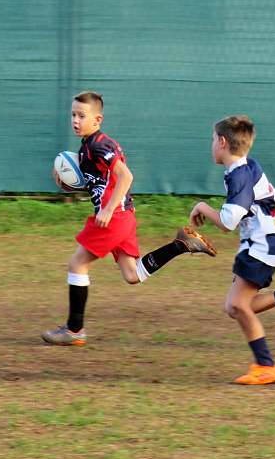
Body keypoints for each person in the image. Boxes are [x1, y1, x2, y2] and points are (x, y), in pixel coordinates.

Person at [41, 91, 216, 346]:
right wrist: (69, 184)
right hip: (123, 216)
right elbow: (101, 183)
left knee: (77, 264)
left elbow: (126, 177)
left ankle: (74, 330)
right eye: (73, 115)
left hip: (114, 217)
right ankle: (181, 244)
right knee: (132, 275)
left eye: (82, 116)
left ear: (97, 119)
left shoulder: (99, 145)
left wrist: (108, 210)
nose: (75, 120)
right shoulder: (88, 146)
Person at [189, 115, 275, 385]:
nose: (211, 145)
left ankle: (266, 366)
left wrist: (201, 206)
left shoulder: (239, 176)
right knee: (234, 307)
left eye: (212, 139)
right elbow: (271, 197)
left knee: (238, 305)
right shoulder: (250, 166)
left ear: (222, 142)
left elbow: (228, 222)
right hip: (264, 244)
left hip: (258, 248)